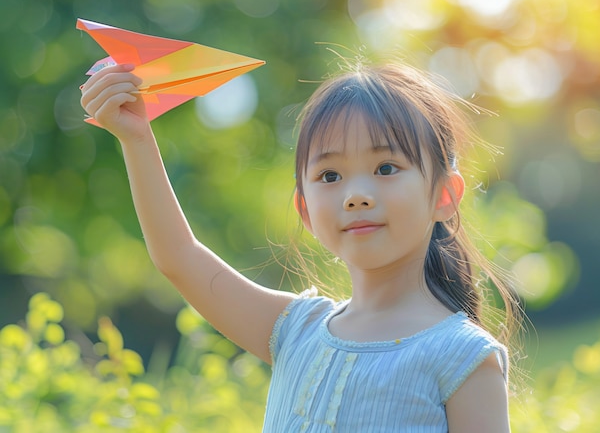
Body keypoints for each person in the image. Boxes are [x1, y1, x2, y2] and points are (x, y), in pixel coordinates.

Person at [80, 60, 520, 432]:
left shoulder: (462, 358)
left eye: (386, 167)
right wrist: (136, 138)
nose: (356, 195)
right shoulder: (295, 331)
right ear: (305, 211)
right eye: (330, 176)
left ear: (444, 196)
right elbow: (178, 257)